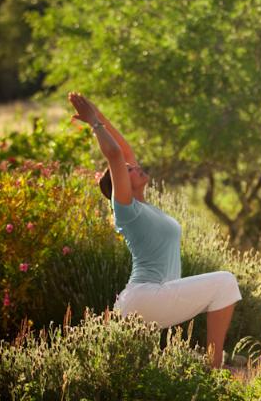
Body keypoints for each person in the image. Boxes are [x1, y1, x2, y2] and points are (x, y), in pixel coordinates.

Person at [68, 91, 241, 368]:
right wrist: (94, 125)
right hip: (146, 296)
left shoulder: (143, 207)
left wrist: (99, 114)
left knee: (132, 370)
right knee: (225, 282)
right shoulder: (126, 209)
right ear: (121, 181)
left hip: (153, 297)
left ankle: (213, 364)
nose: (136, 167)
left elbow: (123, 151)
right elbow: (114, 155)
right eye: (130, 171)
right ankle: (215, 366)